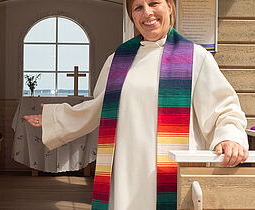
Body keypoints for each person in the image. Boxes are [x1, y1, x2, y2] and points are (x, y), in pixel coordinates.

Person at [24, 0, 249, 209]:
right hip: (126, 170)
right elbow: (99, 107)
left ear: (170, 6)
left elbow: (224, 108)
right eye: (138, 7)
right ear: (132, 16)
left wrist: (229, 137)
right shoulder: (117, 60)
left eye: (154, 3)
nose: (147, 13)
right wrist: (56, 118)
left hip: (171, 169)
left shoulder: (196, 58)